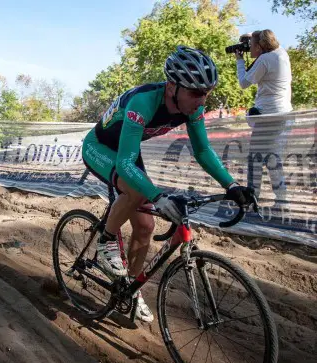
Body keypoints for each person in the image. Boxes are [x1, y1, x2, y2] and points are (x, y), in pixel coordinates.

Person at [81, 46, 255, 323]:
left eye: (207, 92)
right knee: (137, 190)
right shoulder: (143, 102)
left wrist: (231, 185)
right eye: (196, 93)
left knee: (146, 226)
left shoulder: (191, 108)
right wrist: (159, 197)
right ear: (172, 86)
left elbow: (202, 151)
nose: (202, 100)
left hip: (126, 152)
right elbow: (126, 165)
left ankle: (130, 289)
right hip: (99, 147)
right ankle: (105, 243)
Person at [235, 30, 292, 207]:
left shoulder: (264, 59)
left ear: (260, 46)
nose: (249, 47)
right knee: (272, 157)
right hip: (283, 114)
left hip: (268, 117)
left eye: (251, 45)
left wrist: (240, 60)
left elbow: (244, 83)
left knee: (255, 159)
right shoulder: (281, 53)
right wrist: (253, 36)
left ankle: (252, 198)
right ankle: (282, 199)